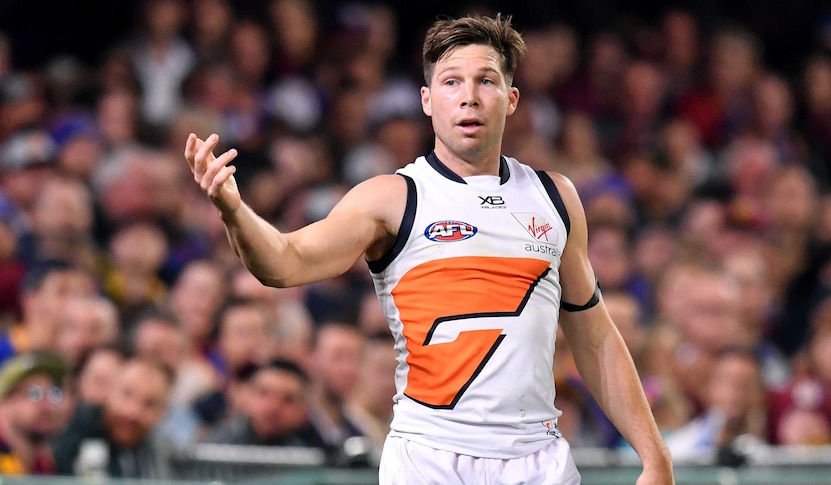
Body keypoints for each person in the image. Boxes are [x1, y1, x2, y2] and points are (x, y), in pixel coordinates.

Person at [185, 13, 673, 485]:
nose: (469, 98)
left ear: (512, 99)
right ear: (426, 99)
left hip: (537, 460)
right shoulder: (392, 198)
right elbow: (284, 263)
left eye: (486, 81)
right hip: (429, 459)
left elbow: (594, 337)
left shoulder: (556, 197)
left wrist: (655, 457)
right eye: (452, 82)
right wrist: (234, 210)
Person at [0, 352, 71, 475]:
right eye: (34, 394)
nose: (48, 406)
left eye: (53, 394)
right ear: (5, 402)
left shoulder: (45, 466)